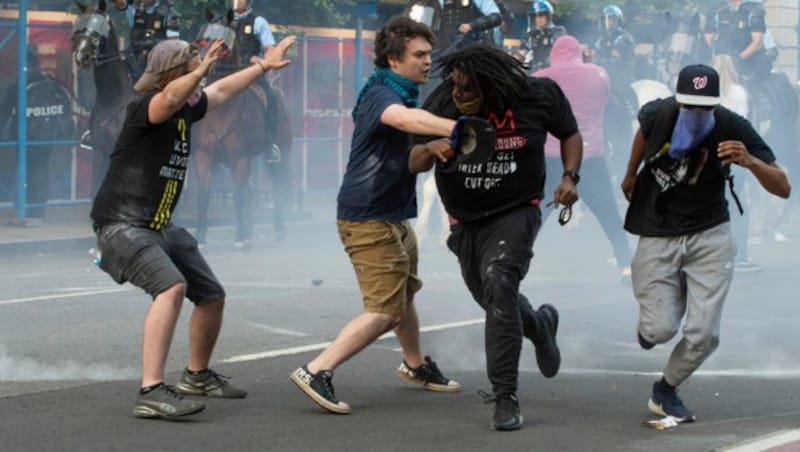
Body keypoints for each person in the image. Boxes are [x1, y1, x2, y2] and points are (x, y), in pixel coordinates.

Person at [90, 35, 297, 419]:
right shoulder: (147, 108)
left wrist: (263, 67)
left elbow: (220, 90)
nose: (200, 77)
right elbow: (169, 98)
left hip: (159, 225)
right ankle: (151, 389)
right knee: (170, 287)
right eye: (191, 67)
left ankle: (196, 376)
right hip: (122, 224)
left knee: (211, 295)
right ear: (174, 73)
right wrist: (198, 70)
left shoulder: (188, 107)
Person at [289, 15, 462, 415]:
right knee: (386, 310)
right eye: (419, 55)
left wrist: (435, 144)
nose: (427, 62)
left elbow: (409, 151)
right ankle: (317, 369)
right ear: (393, 59)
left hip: (391, 214)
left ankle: (415, 364)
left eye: (428, 54)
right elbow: (401, 121)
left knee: (405, 294)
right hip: (368, 218)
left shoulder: (400, 92)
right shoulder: (383, 93)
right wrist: (458, 128)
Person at [410, 43, 583, 431]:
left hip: (517, 210)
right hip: (466, 220)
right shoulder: (442, 102)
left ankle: (505, 396)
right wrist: (430, 147)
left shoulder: (537, 94)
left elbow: (570, 134)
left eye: (468, 89)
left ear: (492, 84)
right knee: (491, 297)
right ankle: (539, 326)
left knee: (500, 281)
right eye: (455, 86)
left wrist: (570, 177)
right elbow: (413, 160)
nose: (458, 95)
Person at [620, 64, 790, 423]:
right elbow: (643, 131)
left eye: (705, 107)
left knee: (704, 333)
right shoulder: (659, 112)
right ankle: (652, 321)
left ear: (716, 103)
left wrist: (750, 161)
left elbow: (783, 186)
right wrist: (630, 172)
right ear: (677, 99)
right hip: (659, 228)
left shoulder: (733, 126)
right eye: (689, 106)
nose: (696, 114)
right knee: (660, 329)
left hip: (710, 232)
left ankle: (665, 392)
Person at [534, 35, 632, 281]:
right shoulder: (599, 74)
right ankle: (626, 265)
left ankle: (515, 264)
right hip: (590, 155)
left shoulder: (539, 78)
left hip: (554, 156)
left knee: (536, 215)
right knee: (609, 213)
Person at [0, 49, 74, 226]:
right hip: (46, 137)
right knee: (39, 172)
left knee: (28, 173)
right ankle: (35, 213)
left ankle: (30, 213)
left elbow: (4, 112)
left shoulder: (19, 86)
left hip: (25, 136)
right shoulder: (48, 83)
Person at [227, 0, 282, 162]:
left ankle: (269, 144)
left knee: (271, 98)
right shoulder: (223, 21)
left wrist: (259, 59)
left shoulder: (258, 22)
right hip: (224, 73)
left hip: (250, 73)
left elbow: (271, 52)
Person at [704, 0, 774, 82]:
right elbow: (708, 40)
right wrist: (718, 60)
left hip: (748, 61)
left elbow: (757, 44)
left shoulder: (754, 9)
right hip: (723, 62)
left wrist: (737, 59)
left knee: (756, 79)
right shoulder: (717, 9)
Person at [112, 0, 180, 82]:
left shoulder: (168, 14)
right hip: (133, 53)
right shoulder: (135, 8)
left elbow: (173, 43)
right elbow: (122, 4)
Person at [594, 4, 636, 108]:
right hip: (605, 79)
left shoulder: (625, 37)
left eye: (611, 18)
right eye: (606, 19)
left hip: (621, 81)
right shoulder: (602, 39)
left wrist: (603, 54)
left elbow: (615, 59)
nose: (608, 22)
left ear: (618, 20)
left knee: (623, 108)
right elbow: (596, 57)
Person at [518, 0, 566, 72]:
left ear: (548, 16)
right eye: (535, 16)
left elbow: (559, 55)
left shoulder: (558, 32)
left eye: (541, 15)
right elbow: (522, 52)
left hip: (552, 72)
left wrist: (543, 65)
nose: (538, 19)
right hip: (535, 72)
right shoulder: (532, 34)